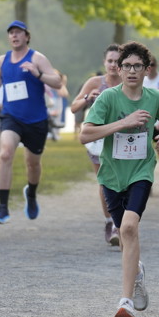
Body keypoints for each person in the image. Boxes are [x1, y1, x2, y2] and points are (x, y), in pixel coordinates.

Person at [80, 41, 159, 317]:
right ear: (119, 70)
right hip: (112, 175)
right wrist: (124, 123)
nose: (132, 71)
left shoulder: (155, 97)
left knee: (129, 228)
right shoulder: (108, 99)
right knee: (124, 237)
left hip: (140, 171)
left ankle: (125, 303)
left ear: (146, 70)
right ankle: (137, 273)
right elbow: (85, 134)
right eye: (126, 66)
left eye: (137, 66)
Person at [0, 20, 62, 223]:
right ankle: (2, 208)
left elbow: (57, 82)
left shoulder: (37, 58)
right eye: (11, 32)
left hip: (36, 120)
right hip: (11, 116)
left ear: (26, 36)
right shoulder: (3, 60)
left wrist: (38, 73)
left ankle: (31, 193)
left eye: (18, 32)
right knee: (5, 153)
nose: (14, 35)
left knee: (33, 164)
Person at [68, 45, 123, 244]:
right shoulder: (95, 83)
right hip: (98, 139)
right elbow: (74, 107)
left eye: (117, 61)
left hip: (121, 137)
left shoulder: (128, 82)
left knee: (122, 182)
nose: (113, 65)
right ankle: (111, 223)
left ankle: (121, 222)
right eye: (110, 61)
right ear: (104, 62)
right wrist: (87, 98)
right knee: (105, 182)